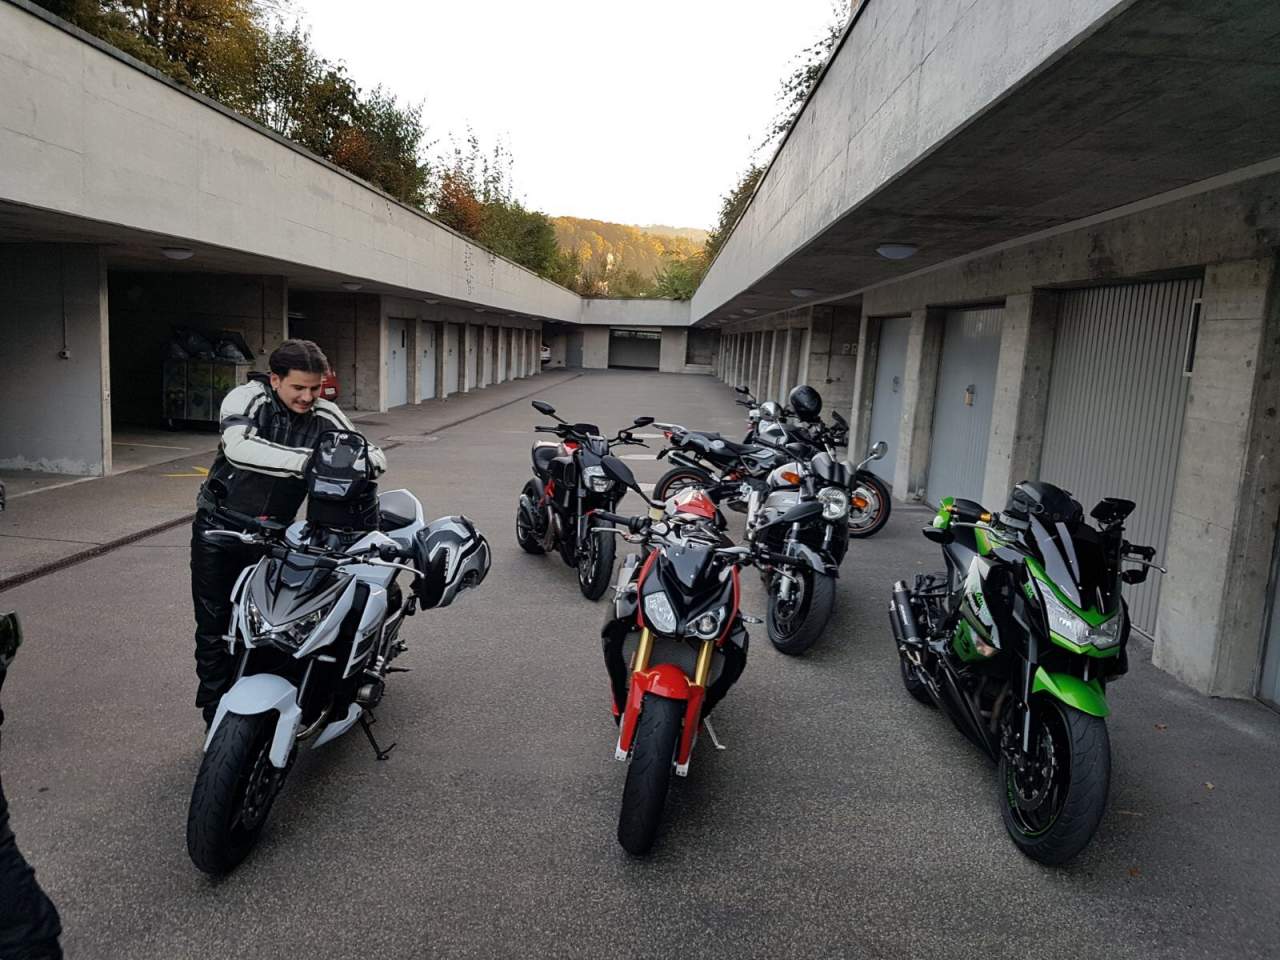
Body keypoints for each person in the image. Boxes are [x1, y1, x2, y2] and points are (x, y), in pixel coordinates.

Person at [190, 339, 386, 726]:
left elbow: (373, 457)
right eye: (299, 387)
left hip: (279, 534)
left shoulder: (325, 412)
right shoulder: (247, 398)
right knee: (215, 626)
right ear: (275, 379)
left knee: (277, 625)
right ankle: (215, 716)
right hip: (220, 529)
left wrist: (352, 465)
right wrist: (318, 463)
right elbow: (239, 447)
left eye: (315, 388)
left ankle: (269, 716)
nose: (308, 397)